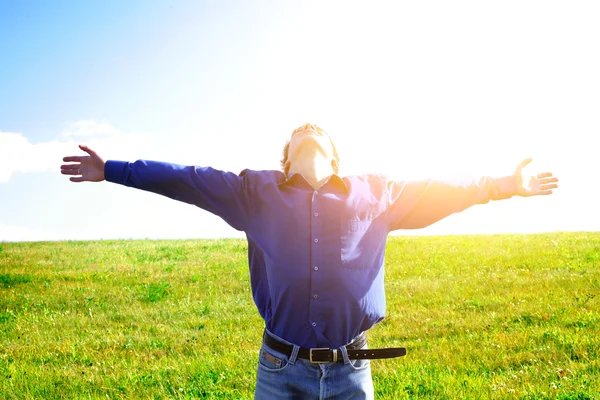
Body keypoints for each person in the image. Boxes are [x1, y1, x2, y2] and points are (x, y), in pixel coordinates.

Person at [61, 123, 558, 399]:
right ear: (287, 157)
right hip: (281, 370)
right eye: (299, 133)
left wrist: (507, 186)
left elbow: (446, 192)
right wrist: (112, 170)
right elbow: (187, 179)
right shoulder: (254, 192)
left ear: (335, 158)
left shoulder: (376, 192)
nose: (308, 131)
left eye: (317, 133)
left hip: (351, 370)